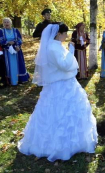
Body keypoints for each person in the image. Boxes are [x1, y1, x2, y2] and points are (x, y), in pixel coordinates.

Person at [18, 23, 98, 162]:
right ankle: (57, 145)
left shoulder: (55, 45)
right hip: (60, 85)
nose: (67, 35)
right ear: (58, 33)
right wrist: (72, 50)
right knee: (59, 113)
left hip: (65, 82)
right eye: (65, 33)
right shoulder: (52, 48)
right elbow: (64, 65)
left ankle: (76, 141)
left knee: (67, 112)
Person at [0, 17, 29, 86]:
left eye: (7, 22)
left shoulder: (16, 30)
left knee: (18, 64)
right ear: (3, 24)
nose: (6, 23)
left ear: (11, 23)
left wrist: (17, 45)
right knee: (9, 65)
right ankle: (11, 80)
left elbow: (20, 39)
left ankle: (20, 79)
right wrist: (8, 42)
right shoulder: (1, 31)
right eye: (5, 22)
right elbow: (0, 41)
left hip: (17, 50)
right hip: (7, 51)